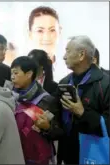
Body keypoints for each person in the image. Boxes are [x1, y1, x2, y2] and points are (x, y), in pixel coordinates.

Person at [56, 36, 109, 164]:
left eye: (68, 51)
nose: (64, 57)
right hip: (68, 154)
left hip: (94, 154)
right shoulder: (64, 82)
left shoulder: (105, 84)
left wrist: (82, 113)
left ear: (81, 55)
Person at [11, 56, 63, 164]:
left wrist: (47, 127)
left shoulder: (46, 100)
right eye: (11, 73)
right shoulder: (10, 97)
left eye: (16, 73)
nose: (12, 77)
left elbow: (58, 132)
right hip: (14, 154)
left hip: (37, 158)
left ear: (29, 74)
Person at [28, 6, 69, 82]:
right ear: (30, 34)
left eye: (52, 30)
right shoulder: (18, 68)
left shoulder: (69, 70)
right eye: (40, 31)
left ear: (59, 31)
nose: (47, 37)